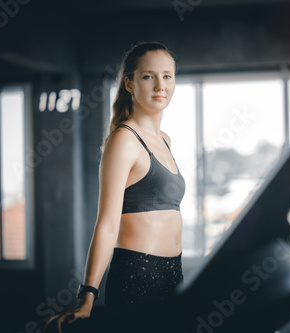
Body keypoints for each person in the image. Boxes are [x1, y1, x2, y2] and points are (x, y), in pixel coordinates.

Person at [44, 41, 185, 332]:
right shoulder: (124, 140)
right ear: (130, 84)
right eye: (148, 76)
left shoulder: (166, 140)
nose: (160, 84)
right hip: (138, 275)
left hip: (174, 274)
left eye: (167, 76)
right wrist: (88, 298)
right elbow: (107, 224)